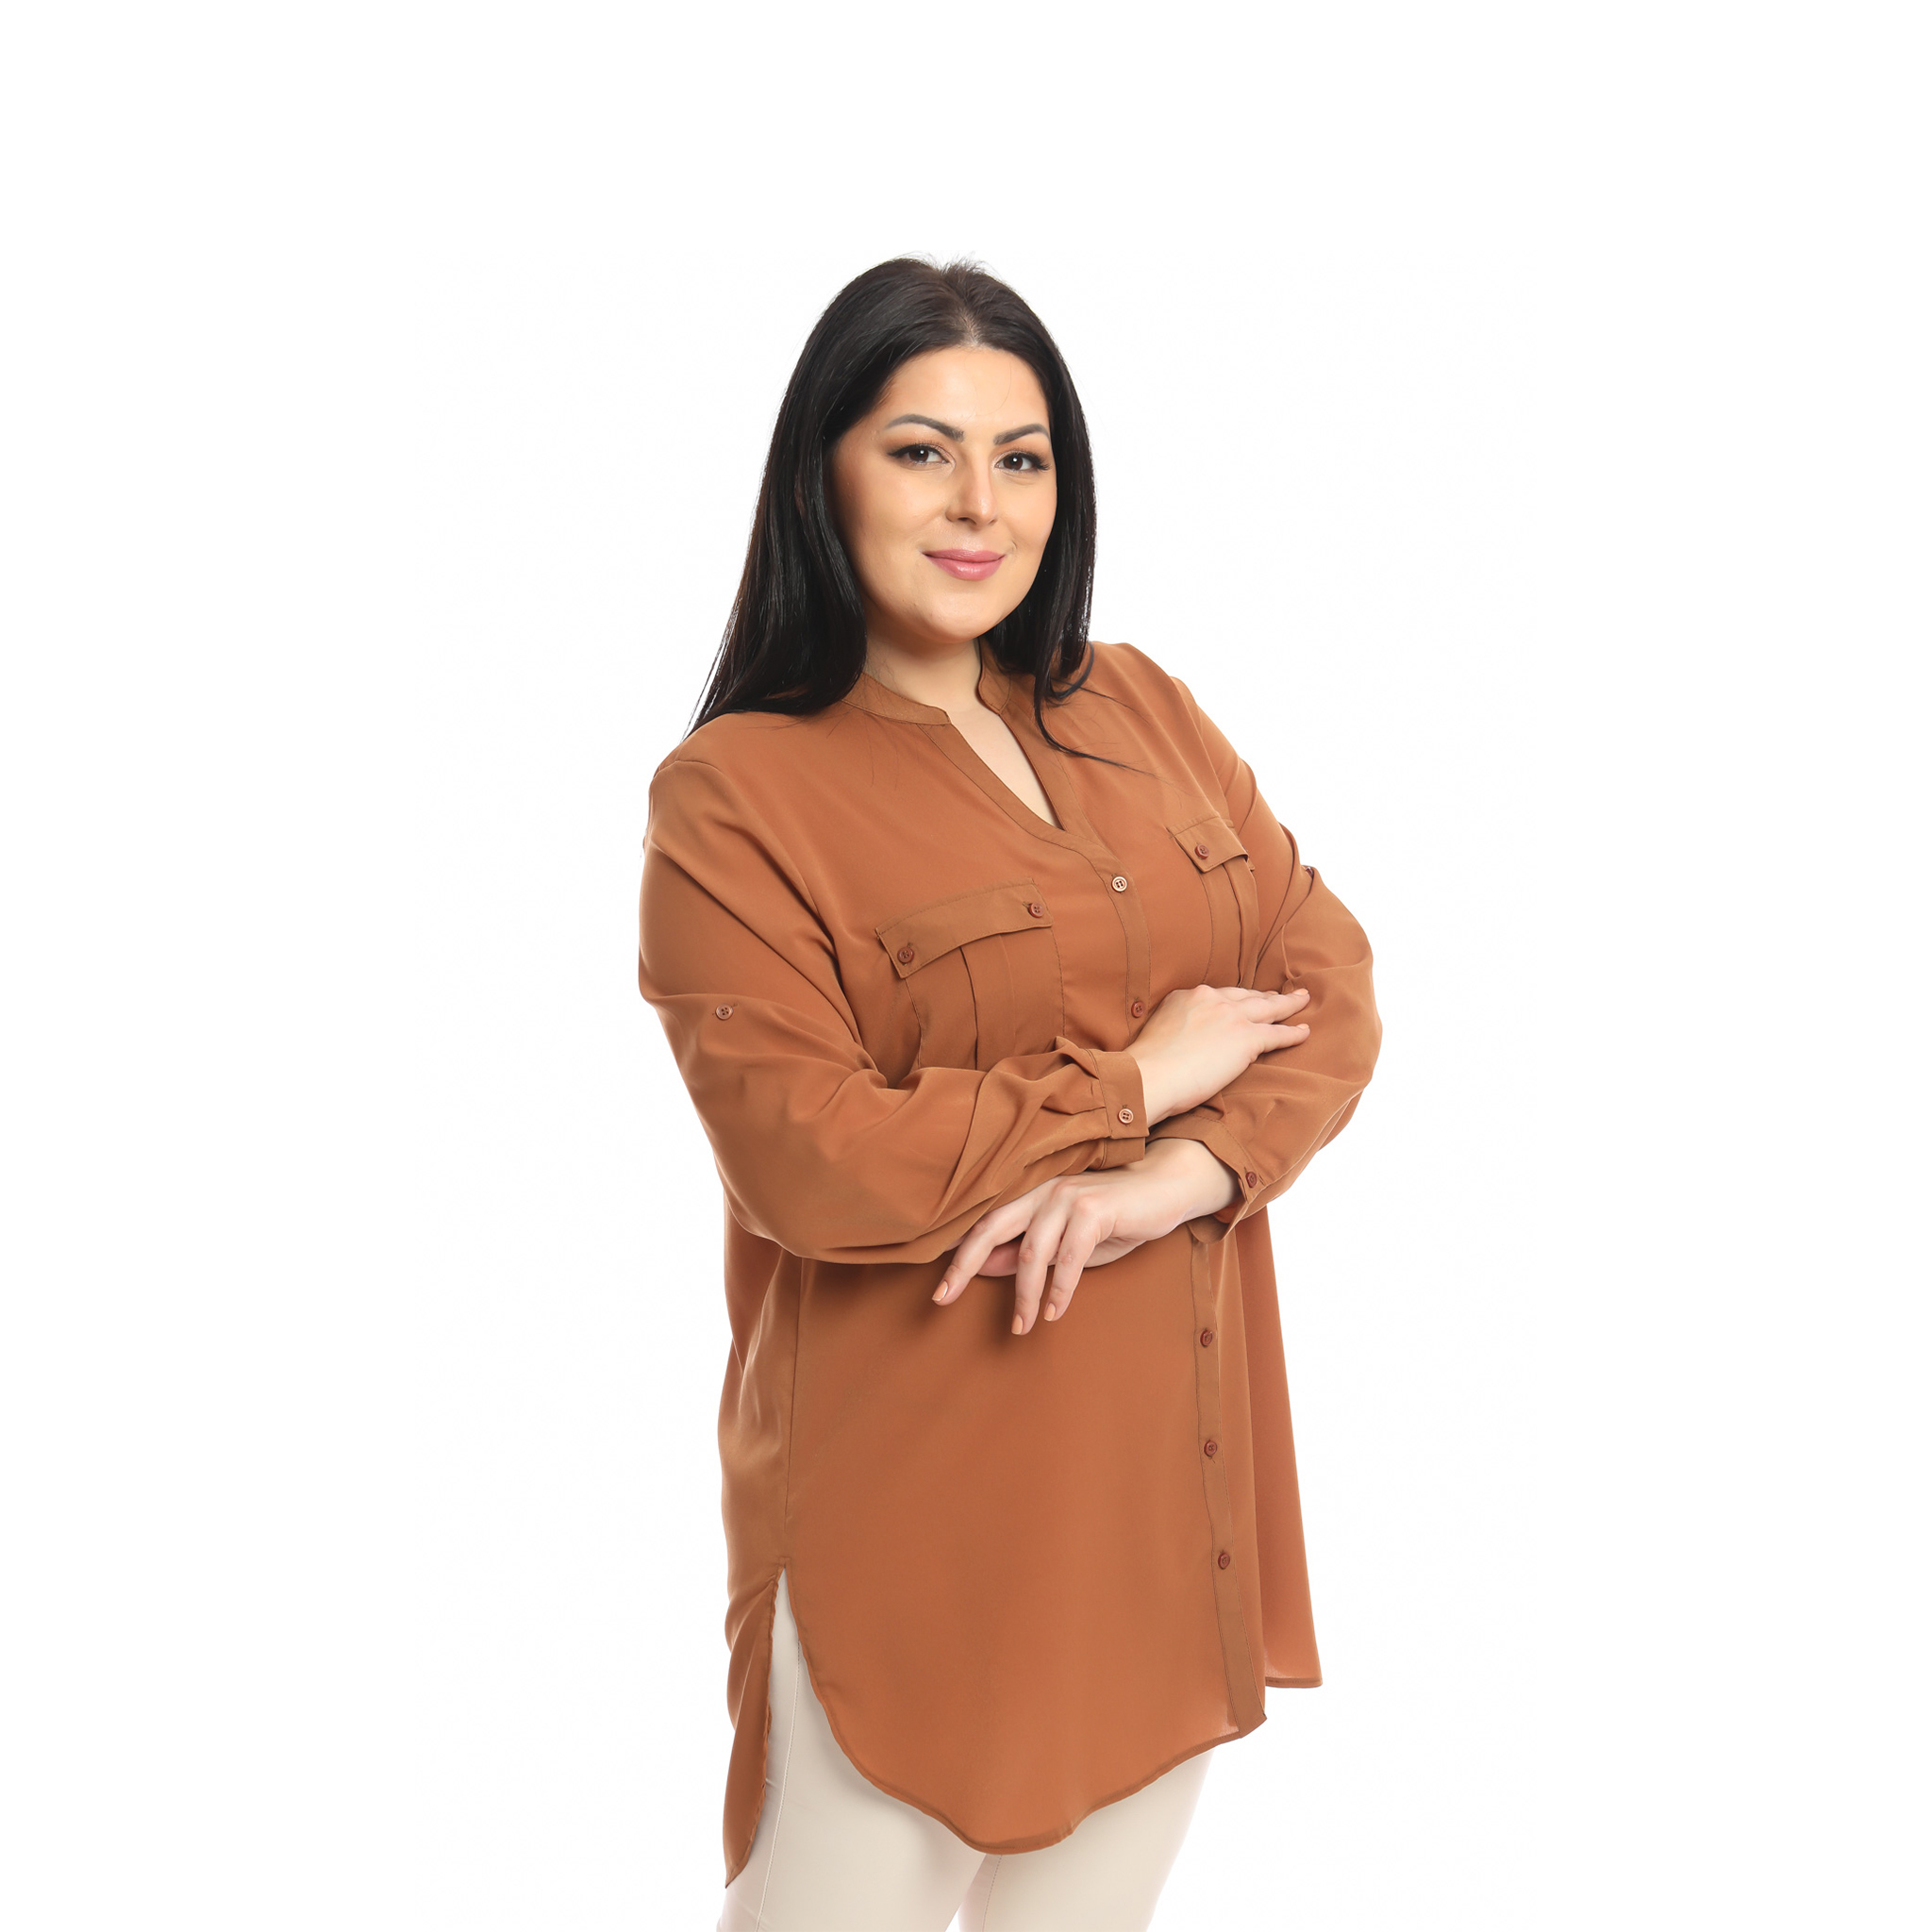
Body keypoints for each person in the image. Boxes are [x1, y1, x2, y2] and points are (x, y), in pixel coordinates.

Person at [636, 258, 1383, 1932]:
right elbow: (810, 1157)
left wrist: (1182, 1173)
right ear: (822, 474)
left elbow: (1325, 983)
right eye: (922, 451)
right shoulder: (736, 797)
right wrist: (1134, 1082)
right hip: (910, 1538)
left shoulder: (1144, 708)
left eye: (1022, 457)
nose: (982, 505)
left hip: (1163, 1513)